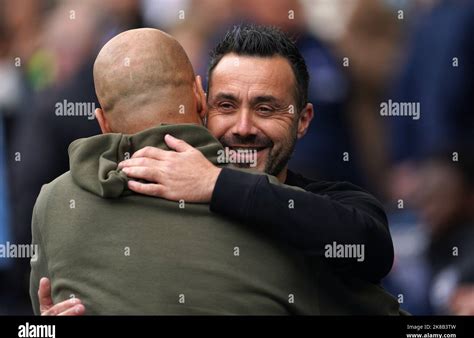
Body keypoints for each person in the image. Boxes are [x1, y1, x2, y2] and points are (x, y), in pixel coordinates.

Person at [31, 28, 400, 315]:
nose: (243, 126)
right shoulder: (77, 199)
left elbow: (371, 250)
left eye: (266, 108)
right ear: (201, 101)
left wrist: (217, 183)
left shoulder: (328, 205)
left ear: (302, 120)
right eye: (226, 104)